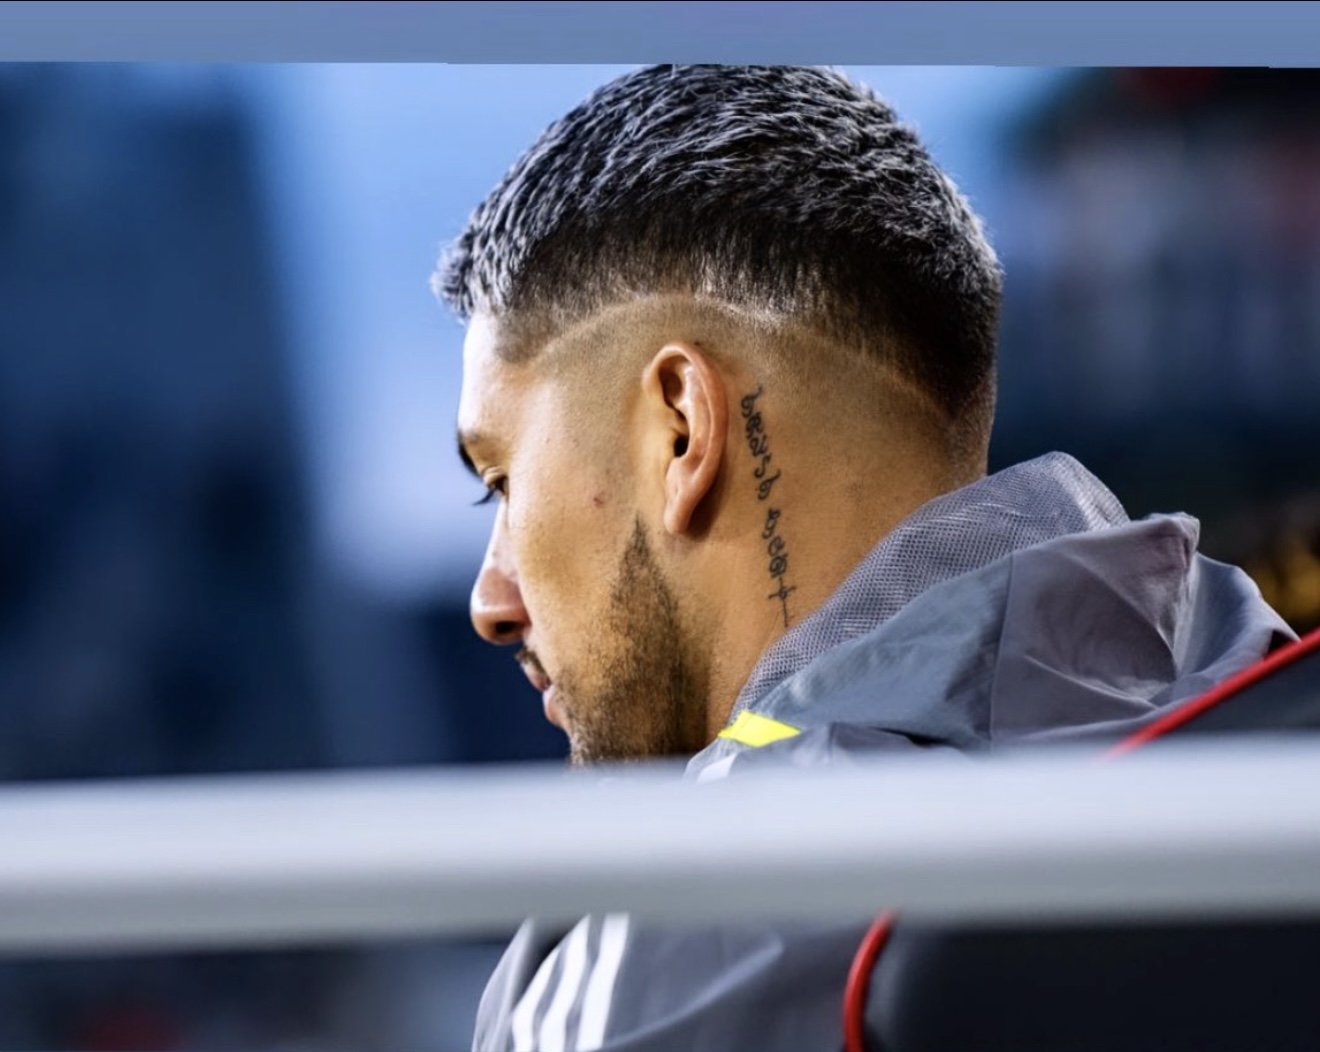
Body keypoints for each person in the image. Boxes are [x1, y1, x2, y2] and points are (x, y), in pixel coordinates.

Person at [435, 65, 1294, 1052]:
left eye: (501, 482)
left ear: (681, 430)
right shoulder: (1269, 710)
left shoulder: (670, 944)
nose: (489, 597)